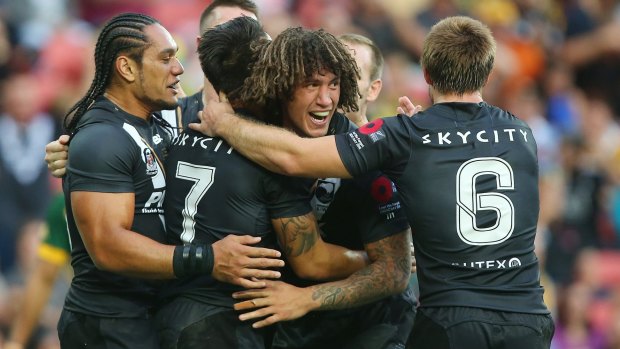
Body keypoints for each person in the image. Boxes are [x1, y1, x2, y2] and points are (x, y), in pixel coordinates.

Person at [191, 16, 555, 349]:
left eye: (335, 83)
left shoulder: (403, 136)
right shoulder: (521, 132)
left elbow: (294, 157)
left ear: (425, 73)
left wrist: (225, 122)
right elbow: (461, 153)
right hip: (529, 317)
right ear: (488, 75)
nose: (328, 96)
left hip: (451, 319)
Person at [58, 13, 283, 348]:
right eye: (165, 58)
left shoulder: (158, 122)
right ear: (127, 68)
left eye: (176, 56)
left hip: (154, 312)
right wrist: (209, 258)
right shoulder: (101, 139)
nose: (178, 68)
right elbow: (107, 248)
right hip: (108, 323)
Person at [156, 17, 372, 349]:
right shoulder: (268, 158)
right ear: (270, 71)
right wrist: (370, 260)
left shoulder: (179, 137)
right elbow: (311, 261)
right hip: (229, 322)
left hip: (170, 312)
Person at [212, 25, 413, 349]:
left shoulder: (365, 156)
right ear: (282, 85)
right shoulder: (250, 134)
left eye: (334, 85)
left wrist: (308, 298)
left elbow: (395, 272)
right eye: (312, 85)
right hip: (290, 320)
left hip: (371, 325)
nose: (326, 99)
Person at [5, 193, 70, 349]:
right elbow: (43, 277)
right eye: (24, 244)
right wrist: (15, 342)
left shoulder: (64, 282)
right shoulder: (63, 206)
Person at [337, 33, 384, 127]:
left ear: (373, 90)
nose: (337, 82)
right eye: (333, 72)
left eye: (350, 76)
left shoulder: (382, 141)